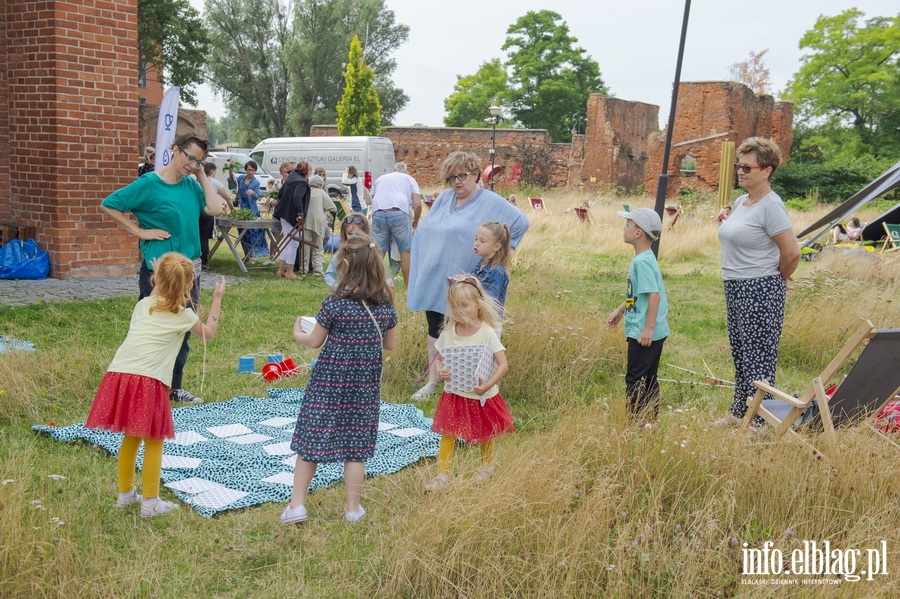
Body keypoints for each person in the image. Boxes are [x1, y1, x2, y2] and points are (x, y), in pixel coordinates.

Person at [85, 253, 225, 517]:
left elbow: (159, 291)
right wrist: (217, 298)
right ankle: (150, 503)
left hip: (120, 374)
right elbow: (209, 333)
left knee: (131, 436)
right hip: (148, 380)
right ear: (188, 287)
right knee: (153, 441)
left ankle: (126, 496)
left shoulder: (143, 305)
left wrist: (161, 271)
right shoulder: (183, 316)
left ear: (156, 279)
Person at [101, 132, 224, 404]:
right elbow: (110, 204)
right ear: (175, 150)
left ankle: (173, 388)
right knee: (154, 329)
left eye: (199, 161)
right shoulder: (148, 184)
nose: (192, 165)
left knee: (183, 329)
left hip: (190, 269)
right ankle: (144, 386)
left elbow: (216, 208)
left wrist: (201, 174)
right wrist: (138, 231)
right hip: (160, 271)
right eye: (190, 158)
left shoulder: (192, 186)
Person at [281, 236, 397, 524]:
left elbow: (315, 340)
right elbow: (390, 344)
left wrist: (298, 332)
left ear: (343, 265)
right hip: (364, 386)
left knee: (311, 443)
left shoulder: (334, 303)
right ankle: (353, 509)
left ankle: (297, 506)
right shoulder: (385, 305)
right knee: (356, 450)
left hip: (328, 384)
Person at [407, 151, 529, 401]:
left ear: (475, 174)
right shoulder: (444, 200)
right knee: (436, 329)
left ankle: (473, 385)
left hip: (468, 283)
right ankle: (434, 382)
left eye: (462, 176)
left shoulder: (489, 201)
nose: (457, 182)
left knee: (469, 331)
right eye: (451, 177)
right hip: (437, 277)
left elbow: (520, 222)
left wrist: (498, 253)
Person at [714, 137, 799, 428]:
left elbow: (791, 252)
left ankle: (759, 425)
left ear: (767, 170)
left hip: (760, 287)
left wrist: (779, 277)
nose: (740, 171)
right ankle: (739, 414)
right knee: (740, 352)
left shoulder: (771, 206)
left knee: (758, 358)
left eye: (747, 167)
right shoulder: (741, 201)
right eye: (739, 165)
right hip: (736, 285)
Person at [425, 276, 513, 491]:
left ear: (478, 304)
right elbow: (439, 358)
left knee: (485, 433)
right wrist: (440, 371)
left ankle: (486, 468)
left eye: (465, 305)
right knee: (449, 434)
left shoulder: (487, 332)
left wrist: (488, 385)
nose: (459, 310)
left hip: (481, 394)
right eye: (454, 306)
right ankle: (442, 476)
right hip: (455, 394)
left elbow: (503, 365)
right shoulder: (449, 332)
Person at [605, 208, 670, 422]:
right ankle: (649, 421)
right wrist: (620, 310)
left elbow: (654, 296)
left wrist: (648, 329)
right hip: (649, 331)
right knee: (649, 379)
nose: (624, 228)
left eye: (628, 225)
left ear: (638, 232)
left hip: (644, 333)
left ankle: (637, 425)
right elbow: (638, 293)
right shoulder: (644, 258)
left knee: (635, 380)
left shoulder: (641, 262)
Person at [369, 162, 422, 285]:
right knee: (405, 251)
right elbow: (418, 204)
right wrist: (415, 221)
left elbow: (371, 199)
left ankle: (373, 286)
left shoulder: (381, 178)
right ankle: (407, 288)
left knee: (379, 251)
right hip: (398, 211)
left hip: (377, 212)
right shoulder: (410, 179)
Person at [324, 213, 393, 290]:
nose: (354, 237)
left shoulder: (370, 252)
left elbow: (379, 274)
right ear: (345, 234)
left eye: (357, 234)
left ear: (366, 233)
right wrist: (337, 287)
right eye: (350, 234)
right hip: (345, 294)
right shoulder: (340, 254)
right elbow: (329, 274)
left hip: (366, 293)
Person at [471, 221, 511, 330]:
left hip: (490, 323)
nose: (476, 243)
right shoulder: (480, 265)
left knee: (488, 347)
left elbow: (490, 301)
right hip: (478, 319)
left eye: (482, 241)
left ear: (496, 246)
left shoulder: (497, 271)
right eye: (476, 239)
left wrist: (472, 286)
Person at [273, 161, 309, 279]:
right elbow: (297, 197)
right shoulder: (301, 182)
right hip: (292, 215)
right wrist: (300, 212)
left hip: (283, 213)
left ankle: (280, 270)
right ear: (306, 171)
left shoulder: (290, 179)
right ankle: (289, 271)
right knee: (293, 242)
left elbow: (280, 193)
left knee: (287, 241)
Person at [200, 162, 234, 271]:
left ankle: (196, 260)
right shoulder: (215, 183)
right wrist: (232, 209)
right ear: (211, 171)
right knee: (204, 238)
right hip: (208, 212)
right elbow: (227, 198)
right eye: (214, 171)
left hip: (196, 211)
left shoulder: (197, 181)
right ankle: (204, 262)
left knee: (197, 236)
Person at [302, 174, 337, 276]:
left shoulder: (306, 192)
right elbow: (333, 207)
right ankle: (317, 269)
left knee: (305, 247)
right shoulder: (321, 193)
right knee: (318, 247)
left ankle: (303, 269)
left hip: (306, 222)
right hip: (319, 222)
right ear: (320, 185)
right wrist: (330, 219)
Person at [236, 160, 270, 263]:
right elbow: (232, 183)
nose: (250, 172)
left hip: (252, 211)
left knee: (252, 234)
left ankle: (253, 256)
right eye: (249, 170)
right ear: (246, 170)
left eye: (253, 170)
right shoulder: (241, 178)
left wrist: (252, 194)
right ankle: (246, 255)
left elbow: (256, 196)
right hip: (242, 210)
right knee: (242, 233)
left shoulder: (256, 182)